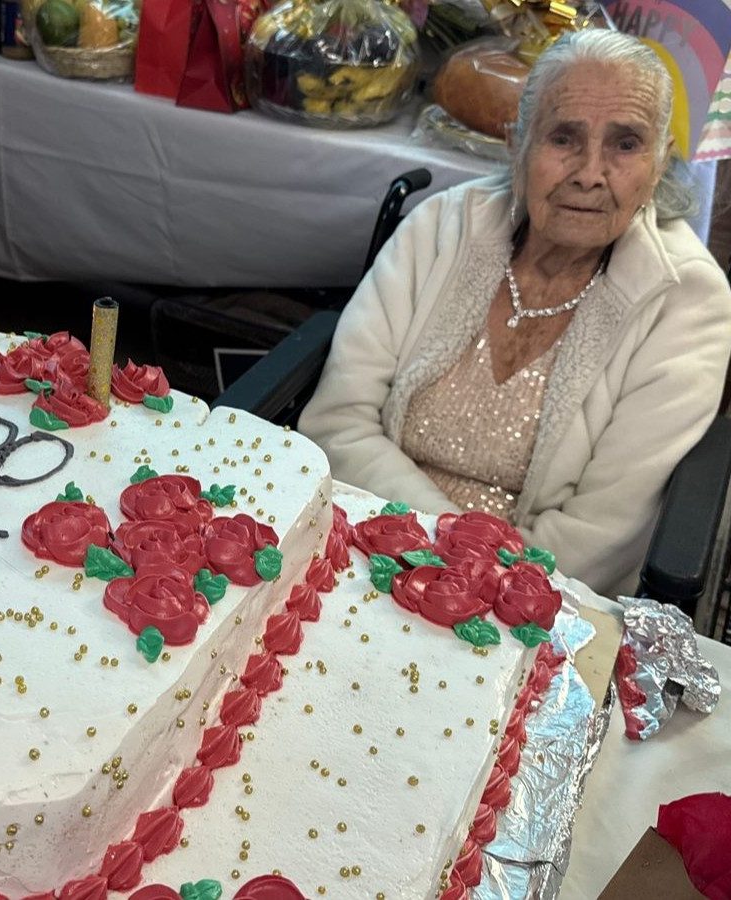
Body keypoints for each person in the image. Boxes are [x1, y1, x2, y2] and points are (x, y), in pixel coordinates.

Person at [298, 28, 731, 596]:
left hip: (535, 597)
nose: (590, 172)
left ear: (658, 163)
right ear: (516, 144)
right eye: (563, 138)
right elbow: (339, 421)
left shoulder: (686, 299)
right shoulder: (440, 229)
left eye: (626, 144)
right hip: (360, 543)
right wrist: (440, 543)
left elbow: (603, 532)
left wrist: (475, 577)